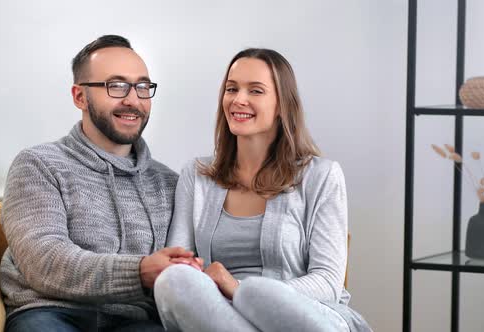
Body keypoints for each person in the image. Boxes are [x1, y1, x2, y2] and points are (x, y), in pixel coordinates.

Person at [153, 48, 372, 332]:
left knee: (258, 293)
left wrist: (237, 287)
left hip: (304, 314)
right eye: (231, 89)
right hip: (220, 316)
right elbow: (180, 263)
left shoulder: (322, 176)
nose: (238, 99)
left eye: (255, 91)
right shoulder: (196, 176)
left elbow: (328, 282)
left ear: (282, 105)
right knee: (173, 280)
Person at [0, 35, 199, 332]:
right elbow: (45, 263)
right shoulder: (38, 165)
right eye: (116, 86)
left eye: (142, 87)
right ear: (80, 96)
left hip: (136, 320)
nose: (133, 100)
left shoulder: (169, 183)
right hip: (51, 313)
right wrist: (139, 272)